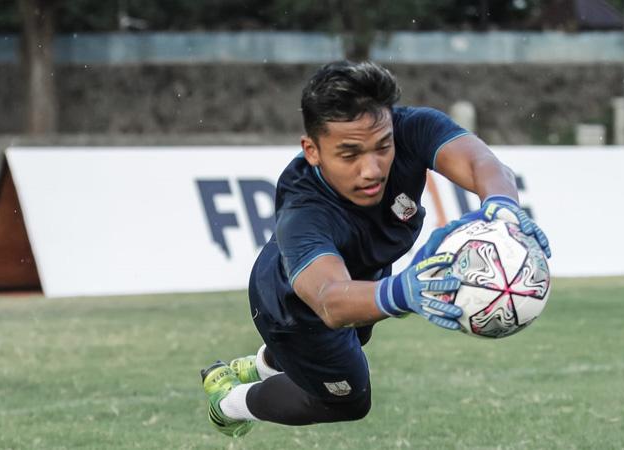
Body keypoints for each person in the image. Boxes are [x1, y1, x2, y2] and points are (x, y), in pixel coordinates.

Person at [200, 60, 551, 437]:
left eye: (382, 147)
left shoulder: (411, 128)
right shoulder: (302, 211)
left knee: (350, 341)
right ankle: (227, 402)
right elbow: (329, 299)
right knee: (347, 399)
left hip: (367, 275)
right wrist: (401, 291)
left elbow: (480, 161)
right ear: (312, 150)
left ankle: (265, 365)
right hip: (293, 307)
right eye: (350, 154)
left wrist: (503, 206)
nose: (372, 169)